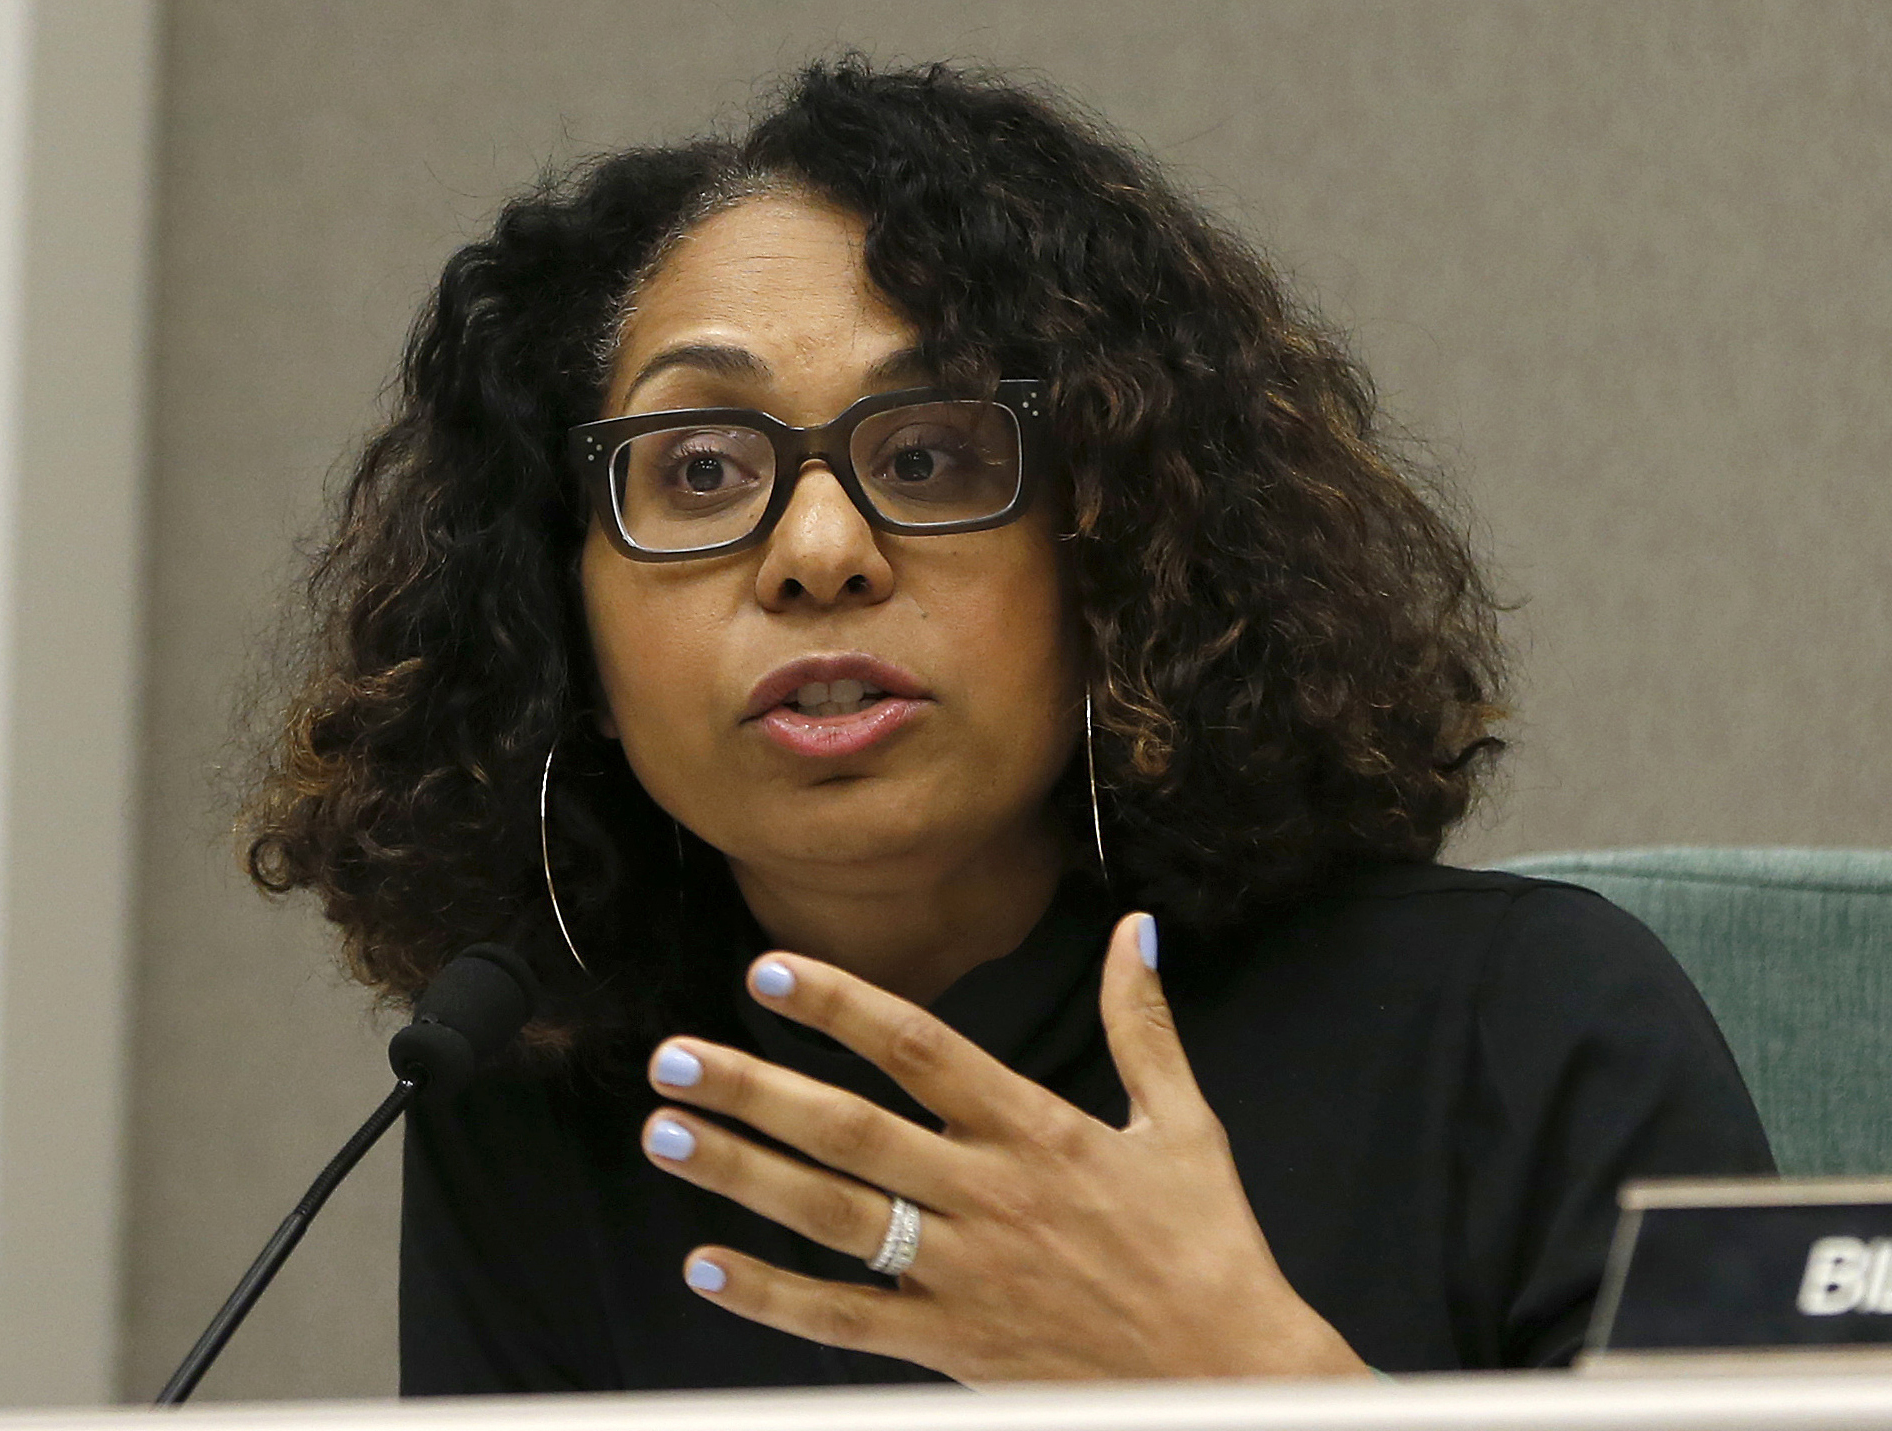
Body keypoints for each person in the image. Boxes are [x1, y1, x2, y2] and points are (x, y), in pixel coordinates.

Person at [240, 59, 1772, 1392]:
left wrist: (1251, 1379)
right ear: (560, 616)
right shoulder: (546, 1106)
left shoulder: (1530, 1027)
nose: (818, 549)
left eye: (932, 451)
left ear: (1114, 547)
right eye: (699, 470)